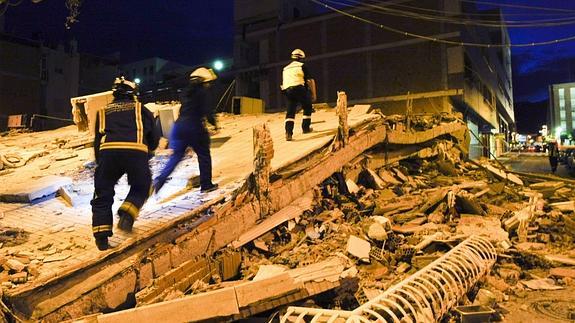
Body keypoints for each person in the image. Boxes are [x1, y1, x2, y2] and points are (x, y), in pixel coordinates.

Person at [91, 77, 160, 251]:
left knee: (102, 191)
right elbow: (154, 136)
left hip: (108, 153)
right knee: (142, 185)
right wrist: (149, 149)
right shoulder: (141, 109)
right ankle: (128, 213)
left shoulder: (103, 111)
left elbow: (97, 140)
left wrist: (101, 163)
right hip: (135, 152)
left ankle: (101, 235)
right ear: (133, 94)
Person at [153, 67, 219, 195]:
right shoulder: (202, 92)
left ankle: (159, 180)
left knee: (176, 156)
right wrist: (214, 123)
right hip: (194, 126)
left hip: (178, 127)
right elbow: (207, 110)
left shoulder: (186, 92)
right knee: (204, 154)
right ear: (203, 81)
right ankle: (206, 185)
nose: (208, 85)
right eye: (208, 83)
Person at [281, 48, 317, 141]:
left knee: (290, 112)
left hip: (287, 90)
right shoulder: (302, 66)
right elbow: (310, 81)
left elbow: (283, 84)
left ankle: (288, 133)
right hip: (299, 88)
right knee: (307, 107)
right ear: (301, 58)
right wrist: (313, 94)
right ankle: (306, 128)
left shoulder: (285, 68)